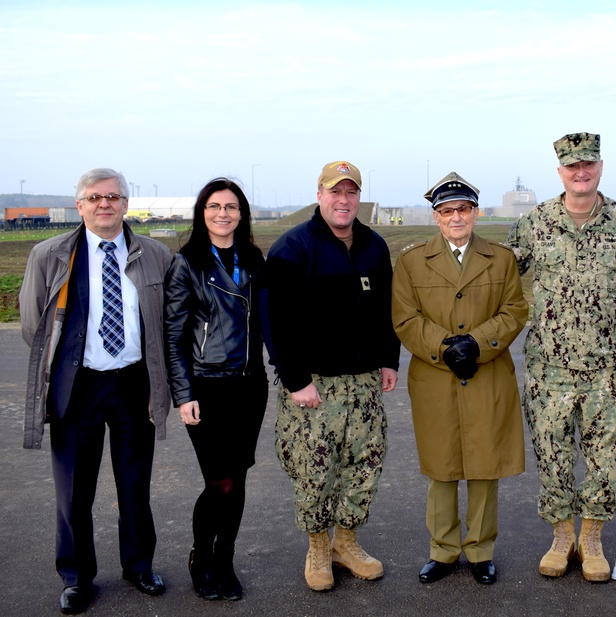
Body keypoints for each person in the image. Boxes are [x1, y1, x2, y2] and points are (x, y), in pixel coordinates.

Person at [507, 132, 616, 582]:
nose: (581, 172)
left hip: (608, 367)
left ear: (600, 167)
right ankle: (562, 537)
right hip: (549, 365)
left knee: (605, 457)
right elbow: (499, 277)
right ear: (560, 172)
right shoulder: (535, 223)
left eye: (589, 164)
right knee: (553, 452)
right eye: (572, 166)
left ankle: (592, 538)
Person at [20, 168, 172, 614]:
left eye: (113, 196)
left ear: (126, 203)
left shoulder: (155, 254)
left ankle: (139, 566)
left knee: (134, 483)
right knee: (73, 489)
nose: (104, 204)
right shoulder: (50, 254)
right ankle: (75, 577)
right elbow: (34, 325)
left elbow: (164, 321)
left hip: (132, 384)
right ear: (80, 205)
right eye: (94, 197)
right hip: (77, 386)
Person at [262, 160, 400, 592]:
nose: (343, 201)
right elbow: (274, 321)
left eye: (351, 193)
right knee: (314, 469)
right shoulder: (292, 247)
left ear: (359, 197)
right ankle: (318, 547)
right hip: (314, 384)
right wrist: (295, 379)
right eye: (335, 192)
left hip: (362, 381)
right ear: (319, 195)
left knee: (365, 463)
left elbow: (385, 311)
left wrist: (389, 359)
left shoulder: (374, 246)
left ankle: (347, 542)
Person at [392, 172, 529, 585]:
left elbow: (514, 310)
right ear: (436, 217)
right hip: (436, 377)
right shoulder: (412, 260)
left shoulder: (501, 258)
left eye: (464, 209)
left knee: (485, 466)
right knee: (442, 467)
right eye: (447, 211)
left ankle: (481, 550)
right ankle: (444, 550)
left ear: (476, 213)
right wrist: (446, 347)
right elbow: (404, 317)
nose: (456, 217)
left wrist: (477, 343)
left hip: (486, 374)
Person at [164, 178, 267, 601]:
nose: (223, 213)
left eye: (231, 206)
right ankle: (201, 558)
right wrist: (184, 394)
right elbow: (173, 336)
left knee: (237, 480)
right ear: (201, 213)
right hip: (207, 387)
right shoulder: (186, 263)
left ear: (241, 214)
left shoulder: (254, 258)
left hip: (249, 387)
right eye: (214, 206)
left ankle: (225, 560)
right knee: (219, 482)